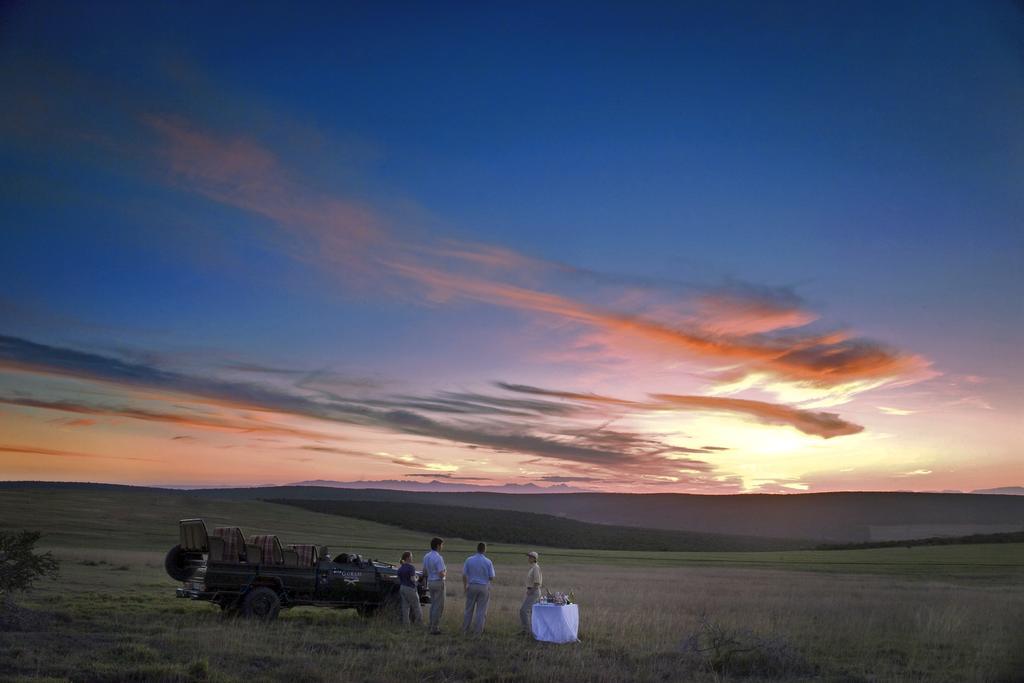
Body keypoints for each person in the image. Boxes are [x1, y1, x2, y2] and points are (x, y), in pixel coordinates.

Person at [461, 542, 495, 634]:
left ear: (477, 549)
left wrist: (465, 586)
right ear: (484, 550)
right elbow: (491, 577)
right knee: (481, 611)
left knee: (468, 610)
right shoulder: (488, 561)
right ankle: (478, 632)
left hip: (471, 586)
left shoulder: (469, 560)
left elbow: (464, 574)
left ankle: (465, 630)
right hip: (483, 587)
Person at [423, 537, 447, 634]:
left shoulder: (426, 556)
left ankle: (430, 624)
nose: (442, 547)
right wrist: (445, 573)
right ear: (437, 546)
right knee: (439, 606)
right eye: (441, 545)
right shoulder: (438, 557)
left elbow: (424, 571)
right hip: (438, 582)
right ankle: (435, 628)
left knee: (433, 605)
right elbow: (441, 574)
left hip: (430, 582)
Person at [519, 551, 543, 634]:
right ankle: (532, 631)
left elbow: (537, 582)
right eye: (528, 557)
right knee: (531, 612)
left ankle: (526, 631)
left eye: (530, 557)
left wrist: (531, 591)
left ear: (534, 559)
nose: (528, 558)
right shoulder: (533, 567)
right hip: (532, 591)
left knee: (523, 610)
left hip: (534, 591)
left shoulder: (536, 568)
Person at [397, 551, 422, 626]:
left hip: (402, 588)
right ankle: (419, 623)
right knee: (416, 606)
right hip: (410, 588)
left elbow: (399, 578)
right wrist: (417, 578)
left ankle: (406, 624)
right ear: (407, 558)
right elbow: (413, 579)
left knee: (405, 607)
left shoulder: (400, 568)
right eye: (411, 556)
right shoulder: (411, 567)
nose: (412, 558)